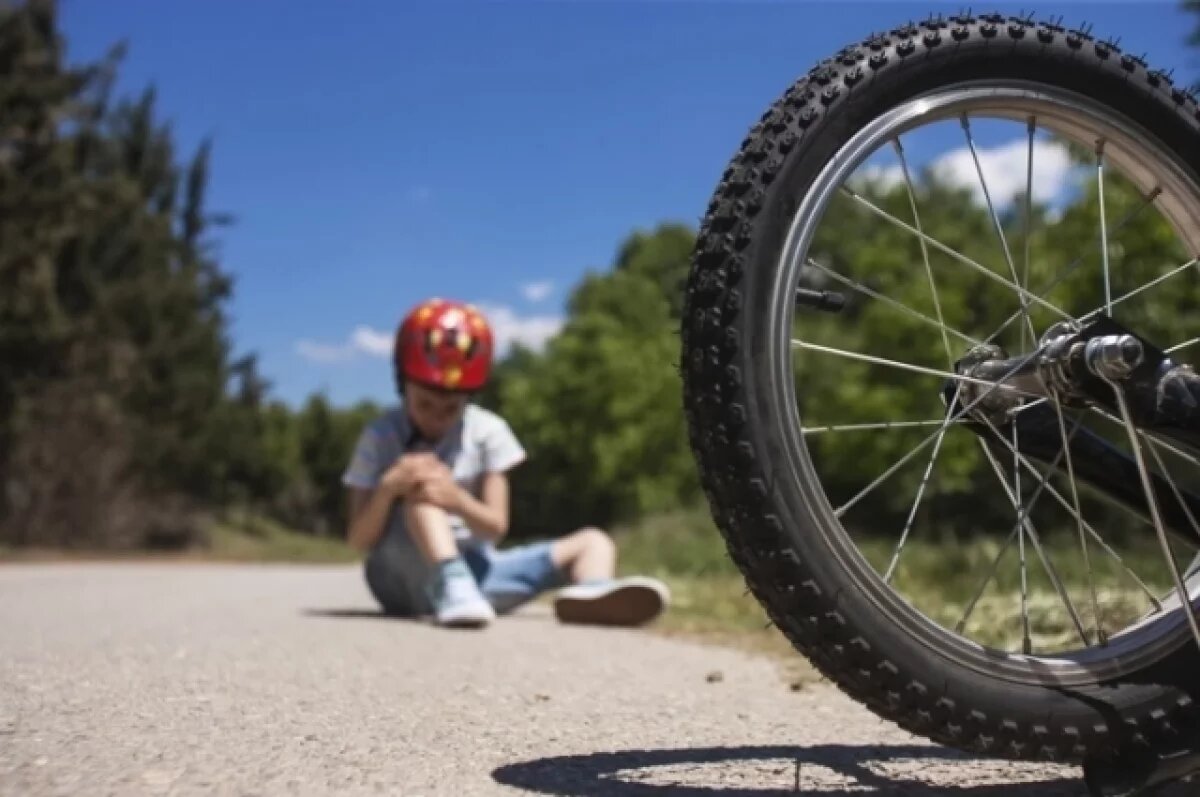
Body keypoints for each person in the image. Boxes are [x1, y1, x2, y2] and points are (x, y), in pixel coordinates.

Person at [342, 297, 670, 628]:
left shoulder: (489, 431)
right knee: (422, 495)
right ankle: (451, 583)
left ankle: (593, 593)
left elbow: (495, 528)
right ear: (403, 384)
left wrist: (456, 500)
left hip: (477, 573)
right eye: (424, 404)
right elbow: (358, 540)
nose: (436, 418)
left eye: (450, 408)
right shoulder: (379, 435)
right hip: (397, 577)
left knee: (594, 541)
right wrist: (387, 489)